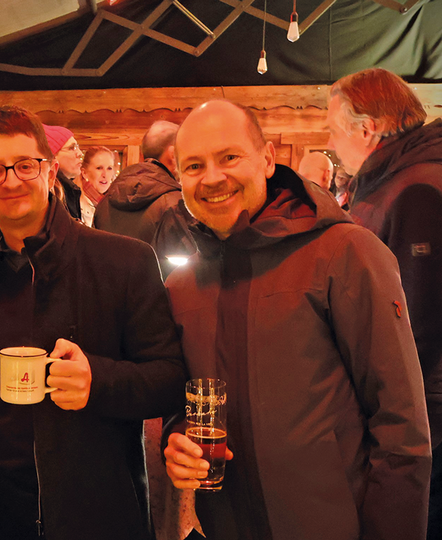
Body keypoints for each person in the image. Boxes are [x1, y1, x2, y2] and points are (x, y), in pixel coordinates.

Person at [164, 100, 431, 540]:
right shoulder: (181, 288)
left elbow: (401, 427)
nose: (212, 177)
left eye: (229, 157)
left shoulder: (345, 253)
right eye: (194, 166)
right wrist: (176, 441)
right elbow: (184, 401)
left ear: (267, 159)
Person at [0, 105, 186, 540]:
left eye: (25, 165)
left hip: (96, 516)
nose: (12, 180)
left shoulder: (123, 261)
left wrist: (99, 380)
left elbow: (169, 381)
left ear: (51, 172)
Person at [326, 72, 442, 537]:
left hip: (425, 409)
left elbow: (421, 321)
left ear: (366, 129)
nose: (329, 143)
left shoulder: (417, 188)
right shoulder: (390, 178)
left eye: (333, 130)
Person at [94, 120, 196, 278]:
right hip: (160, 299)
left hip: (110, 299)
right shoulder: (175, 203)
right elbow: (190, 273)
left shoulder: (105, 201)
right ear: (172, 154)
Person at [43, 124, 83, 220]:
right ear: (53, 156)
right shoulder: (51, 197)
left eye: (77, 147)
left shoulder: (69, 190)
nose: (80, 153)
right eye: (71, 148)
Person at [76, 146, 117, 226]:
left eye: (109, 168)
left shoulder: (116, 203)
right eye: (99, 168)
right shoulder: (75, 204)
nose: (105, 175)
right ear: (84, 173)